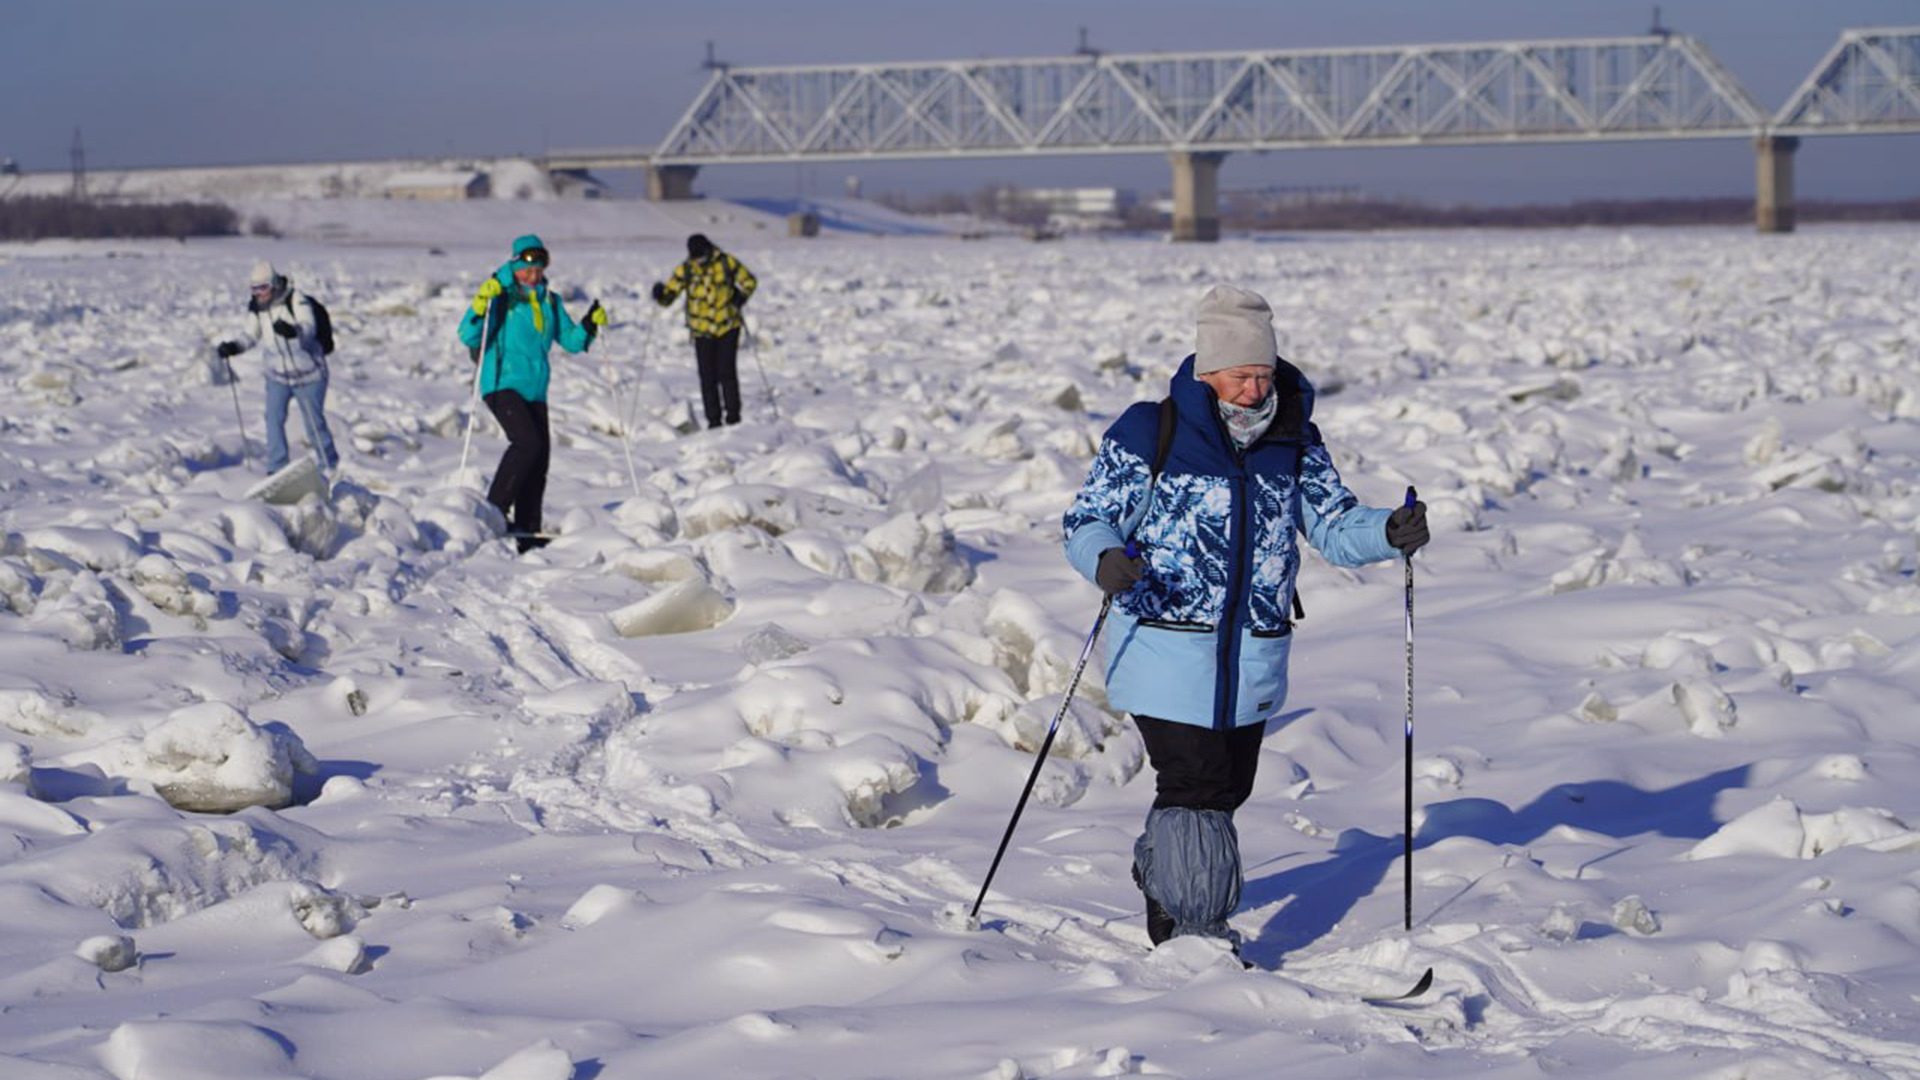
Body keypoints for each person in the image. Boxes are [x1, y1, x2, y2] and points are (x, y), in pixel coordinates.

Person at [1061, 284, 1430, 954]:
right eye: (1241, 377)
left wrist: (1390, 530)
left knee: (1228, 786)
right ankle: (1194, 933)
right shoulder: (1153, 432)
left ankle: (1164, 868)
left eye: (1264, 374)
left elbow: (1334, 526)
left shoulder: (1292, 440)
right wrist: (1105, 559)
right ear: (1207, 373)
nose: (1256, 390)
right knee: (1195, 785)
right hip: (1164, 644)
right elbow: (1088, 519)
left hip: (1253, 652)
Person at [456, 235, 609, 553]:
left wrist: (590, 325)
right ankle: (494, 513)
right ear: (514, 265)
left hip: (535, 390)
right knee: (527, 444)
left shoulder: (549, 301)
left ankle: (528, 531)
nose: (533, 274)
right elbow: (468, 333)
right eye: (527, 268)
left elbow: (570, 341)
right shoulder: (501, 295)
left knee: (539, 459)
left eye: (539, 268)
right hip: (501, 383)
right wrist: (482, 300)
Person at [216, 261, 340, 475]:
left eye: (263, 288)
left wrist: (293, 330)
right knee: (273, 420)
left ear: (273, 285)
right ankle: (277, 468)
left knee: (313, 423)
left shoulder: (296, 300)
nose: (259, 294)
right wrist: (234, 347)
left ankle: (329, 465)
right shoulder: (257, 309)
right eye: (254, 289)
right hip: (277, 376)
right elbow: (250, 335)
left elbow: (308, 327)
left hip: (309, 374)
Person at [650, 233, 757, 429]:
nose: (699, 260)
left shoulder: (726, 262)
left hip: (728, 326)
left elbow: (749, 281)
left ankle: (734, 418)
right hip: (701, 331)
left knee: (727, 373)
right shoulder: (687, 269)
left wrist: (740, 297)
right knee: (707, 377)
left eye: (701, 256)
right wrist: (659, 294)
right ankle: (714, 422)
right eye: (695, 257)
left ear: (708, 250)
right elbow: (669, 297)